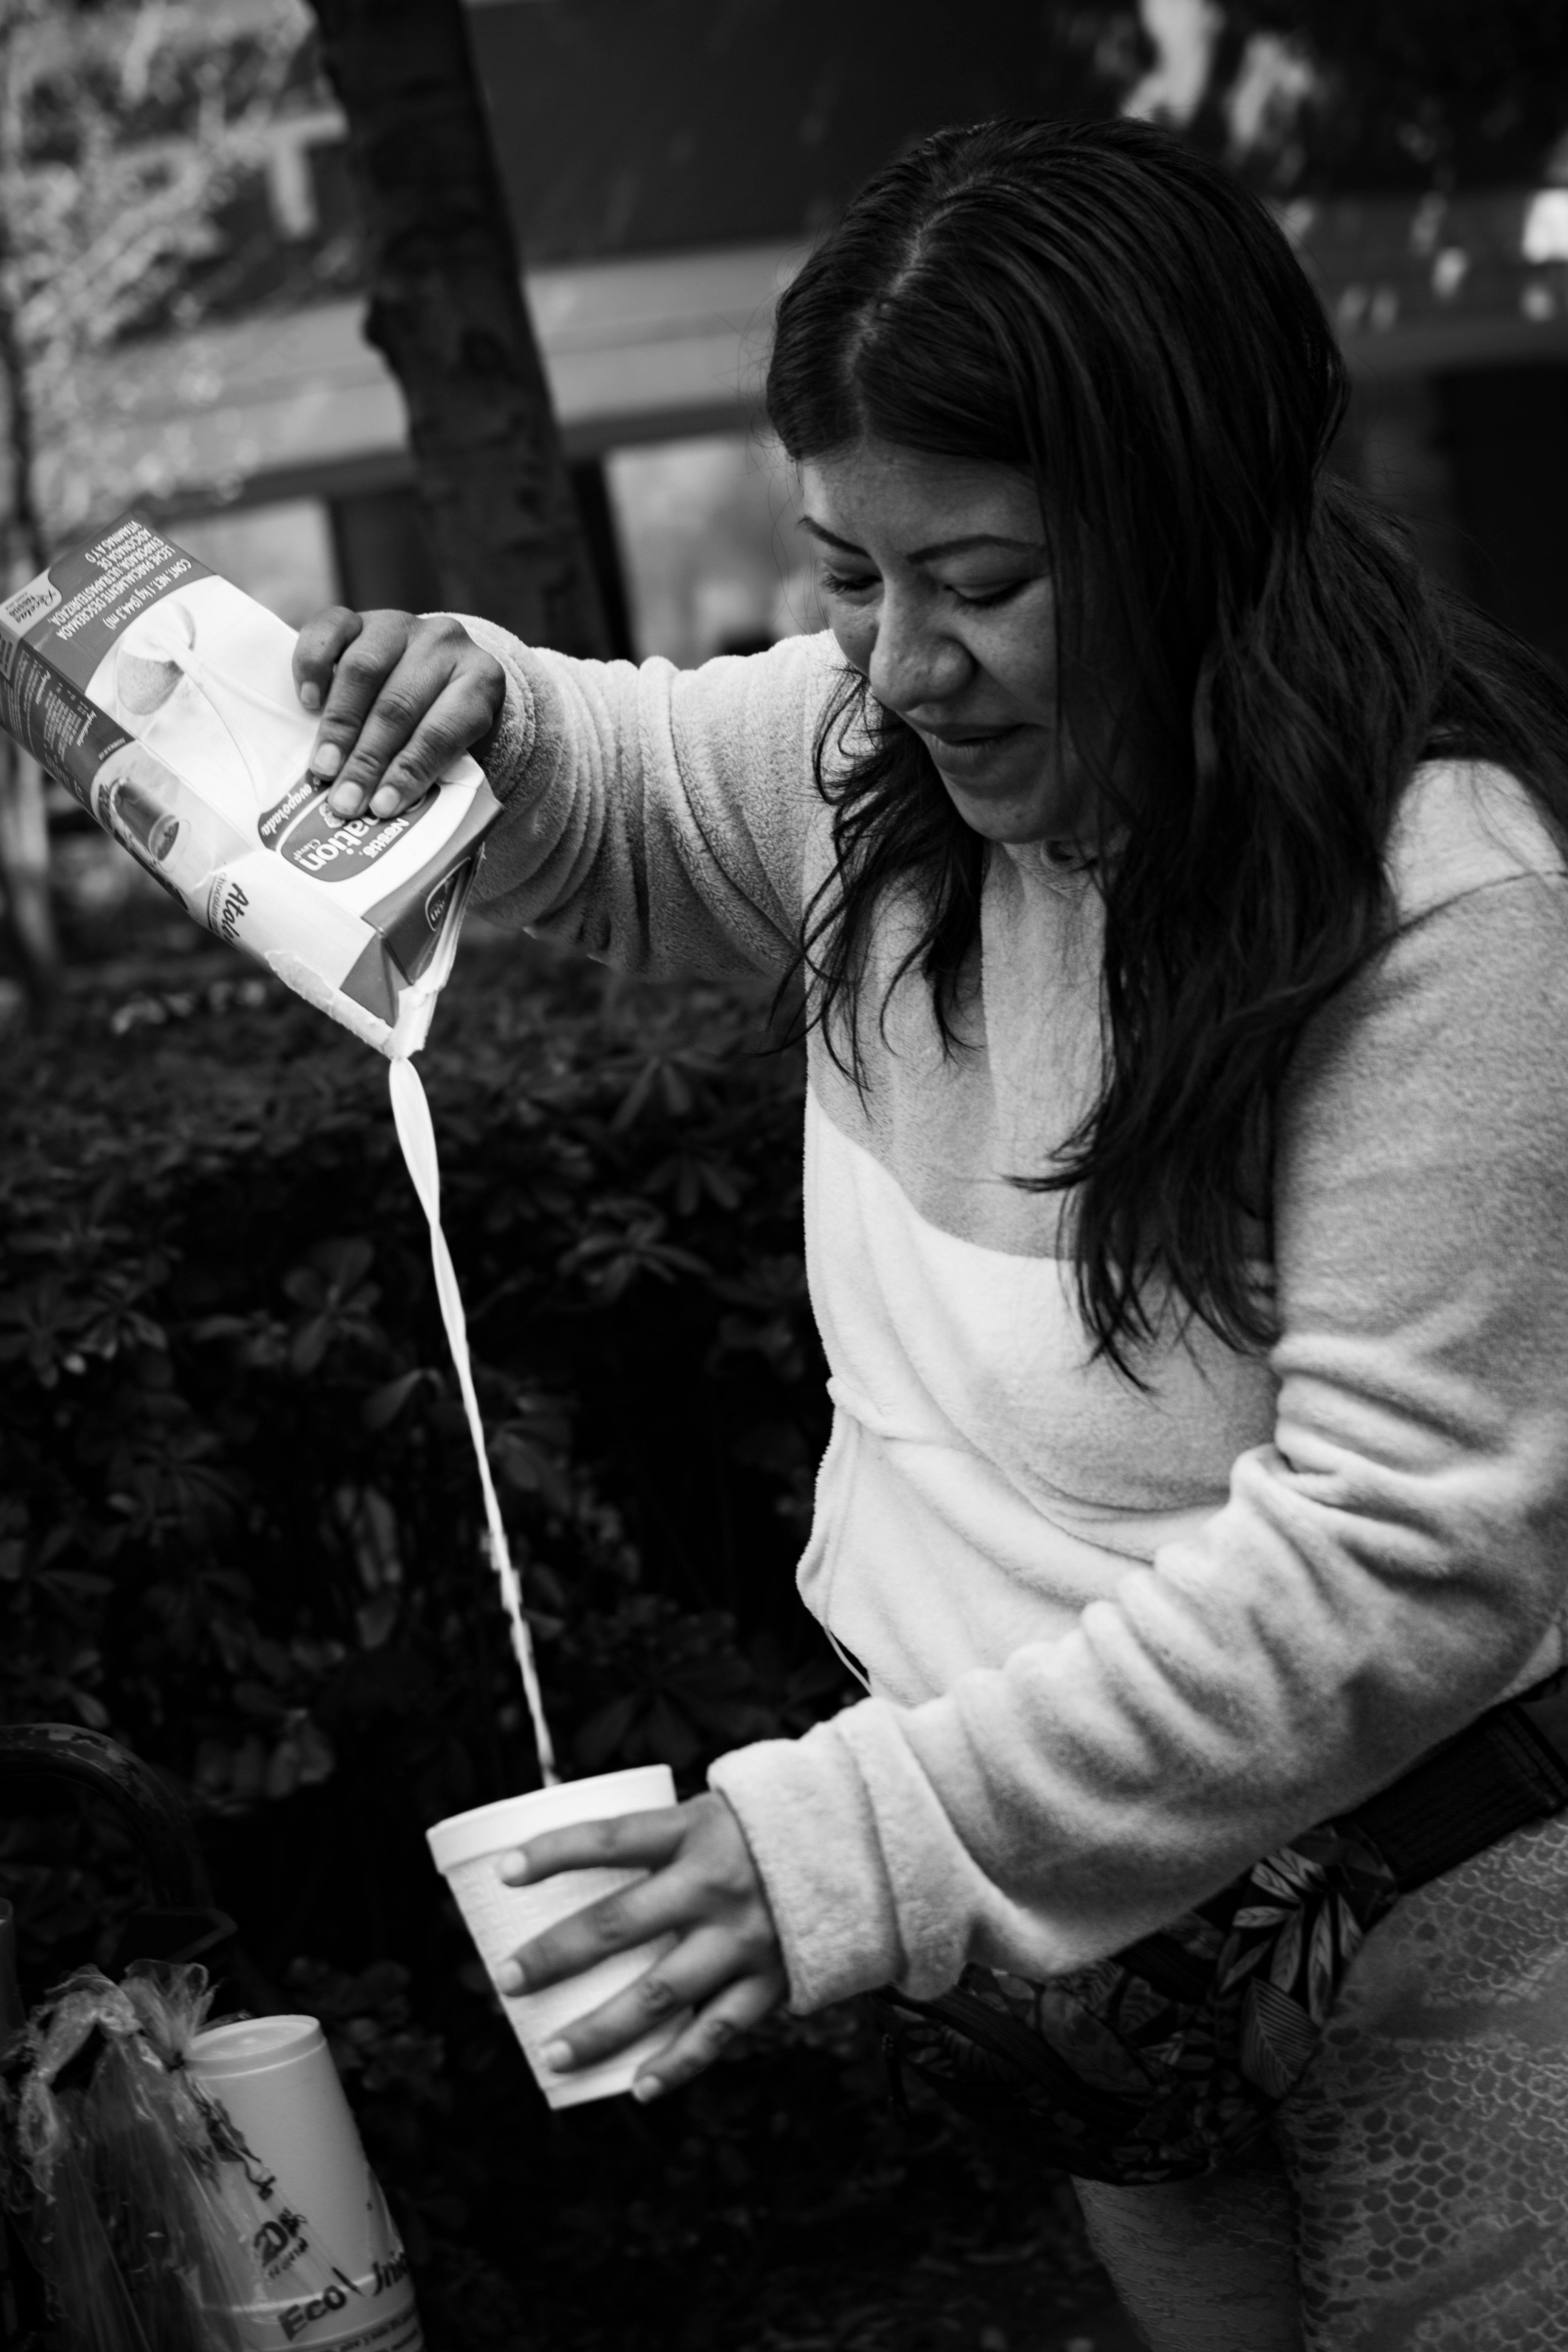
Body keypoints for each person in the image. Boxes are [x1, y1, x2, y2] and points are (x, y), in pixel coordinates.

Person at [291, 117, 1568, 2349]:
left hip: (1427, 1906)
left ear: (1201, 530)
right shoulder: (881, 764)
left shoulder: (1441, 909)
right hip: (1048, 1882)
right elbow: (616, 769)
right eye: (844, 574)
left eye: (977, 581)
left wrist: (848, 1846)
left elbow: (1407, 1554)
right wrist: (460, 704)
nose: (896, 664)